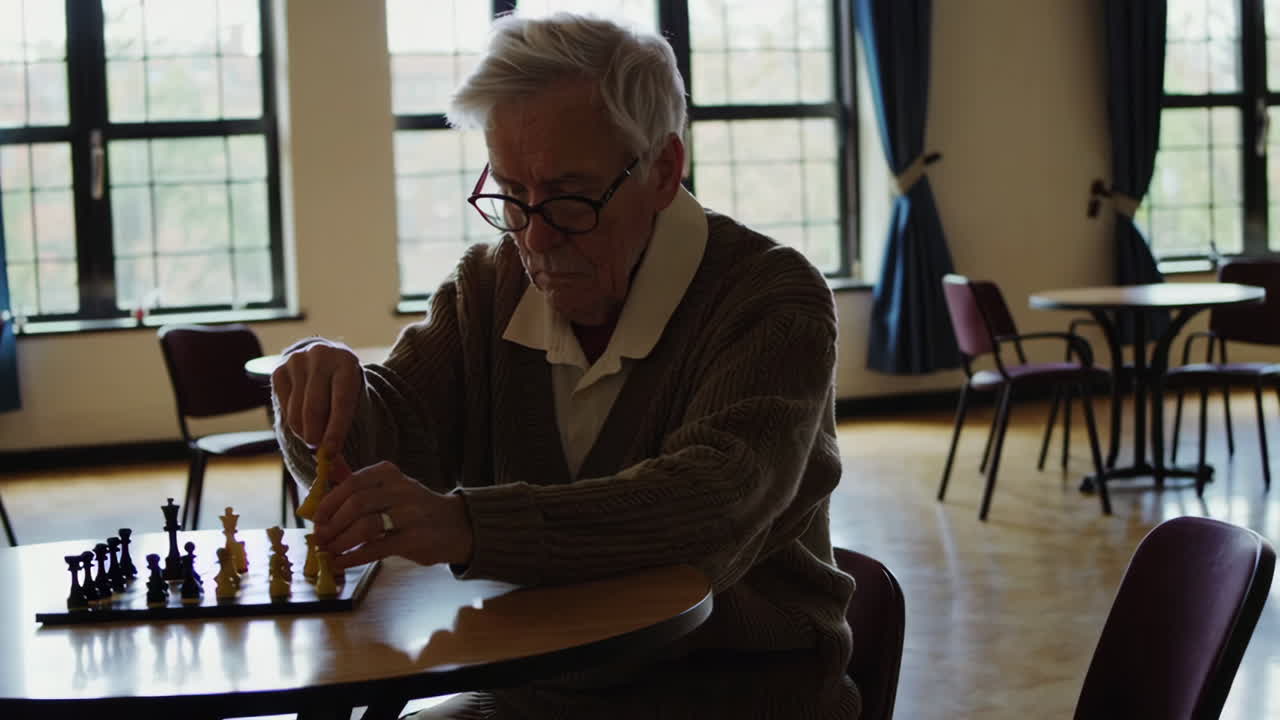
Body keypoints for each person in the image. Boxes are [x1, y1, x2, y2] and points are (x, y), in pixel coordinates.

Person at [271, 11, 859, 719]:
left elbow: (709, 503)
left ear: (665, 169)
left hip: (733, 694)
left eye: (571, 197)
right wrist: (326, 398)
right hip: (535, 690)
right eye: (511, 194)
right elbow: (392, 440)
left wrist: (470, 527)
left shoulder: (772, 298)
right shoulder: (487, 287)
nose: (536, 236)